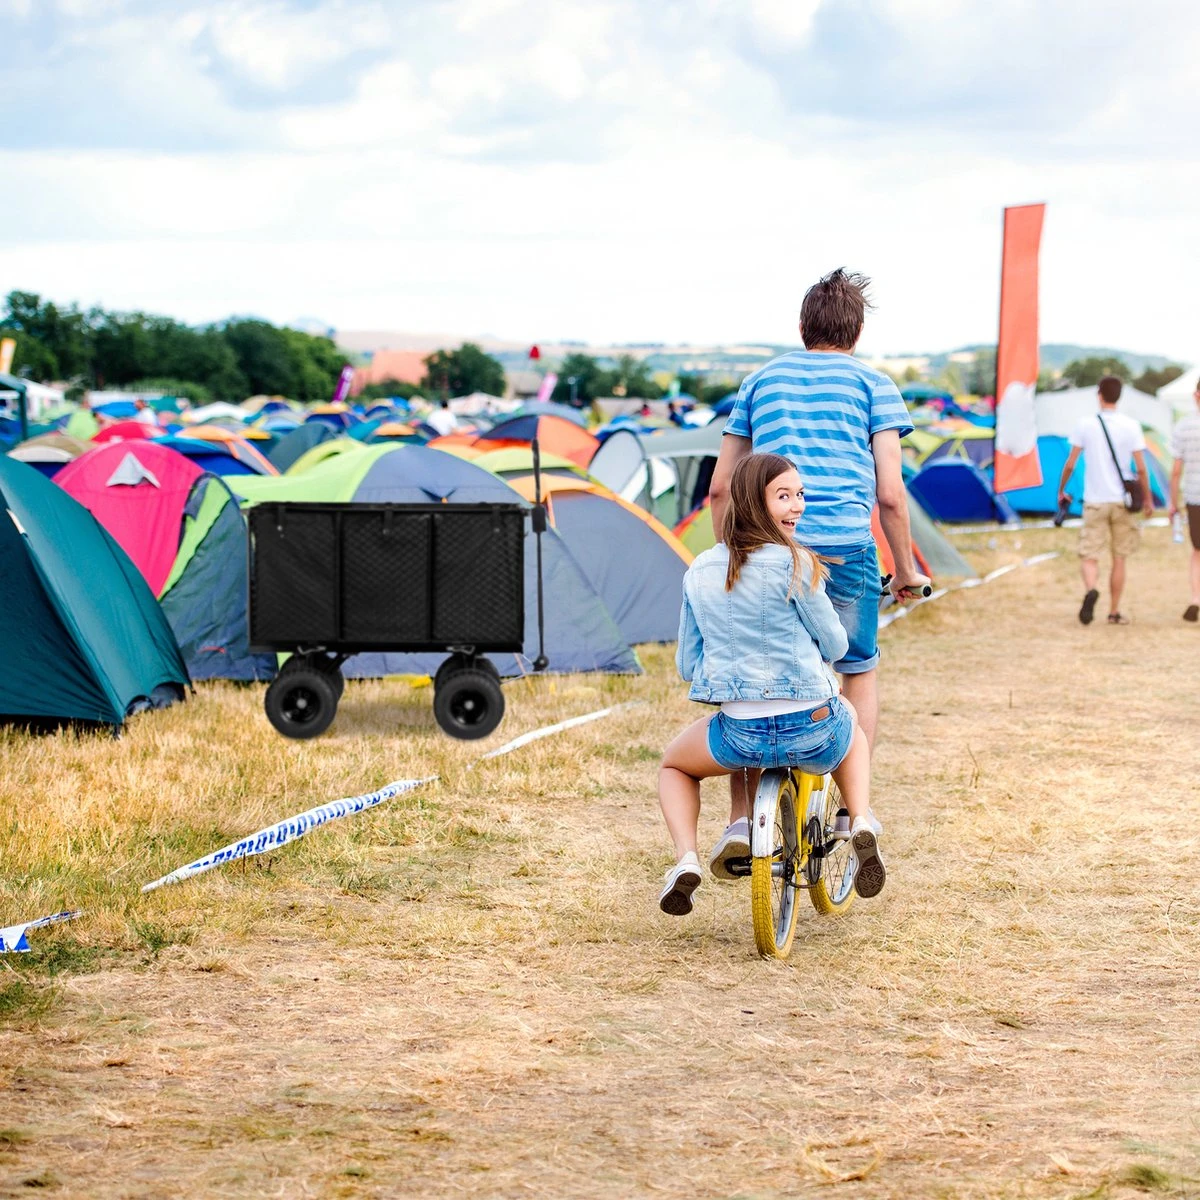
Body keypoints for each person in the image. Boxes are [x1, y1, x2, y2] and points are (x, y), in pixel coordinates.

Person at [705, 269, 928, 874]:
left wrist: (730, 559)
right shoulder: (875, 385)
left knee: (755, 671)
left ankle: (742, 820)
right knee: (858, 670)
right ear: (855, 331)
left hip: (767, 545)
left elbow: (723, 485)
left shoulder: (760, 380)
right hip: (848, 549)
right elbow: (890, 495)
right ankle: (851, 814)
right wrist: (905, 570)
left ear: (803, 327)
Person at [658, 453, 882, 915]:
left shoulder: (700, 570)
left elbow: (686, 664)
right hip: (814, 725)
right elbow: (836, 645)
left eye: (800, 495)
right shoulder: (796, 563)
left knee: (674, 767)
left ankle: (686, 858)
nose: (797, 505)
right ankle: (859, 819)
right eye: (784, 496)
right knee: (853, 729)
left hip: (741, 735)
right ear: (755, 502)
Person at [1057, 375, 1154, 626]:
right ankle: (1114, 611)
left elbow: (1071, 463)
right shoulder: (1131, 426)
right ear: (1119, 396)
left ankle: (1091, 589)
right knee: (1119, 557)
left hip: (1095, 500)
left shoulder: (1085, 424)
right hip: (1122, 500)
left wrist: (1062, 489)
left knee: (1089, 555)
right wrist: (1148, 498)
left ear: (1099, 394)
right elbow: (1141, 468)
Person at [1168, 379, 1200, 622]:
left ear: (1195, 395)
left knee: (1197, 552)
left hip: (1194, 496)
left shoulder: (1184, 426)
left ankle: (1196, 598)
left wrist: (1172, 502)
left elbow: (1176, 470)